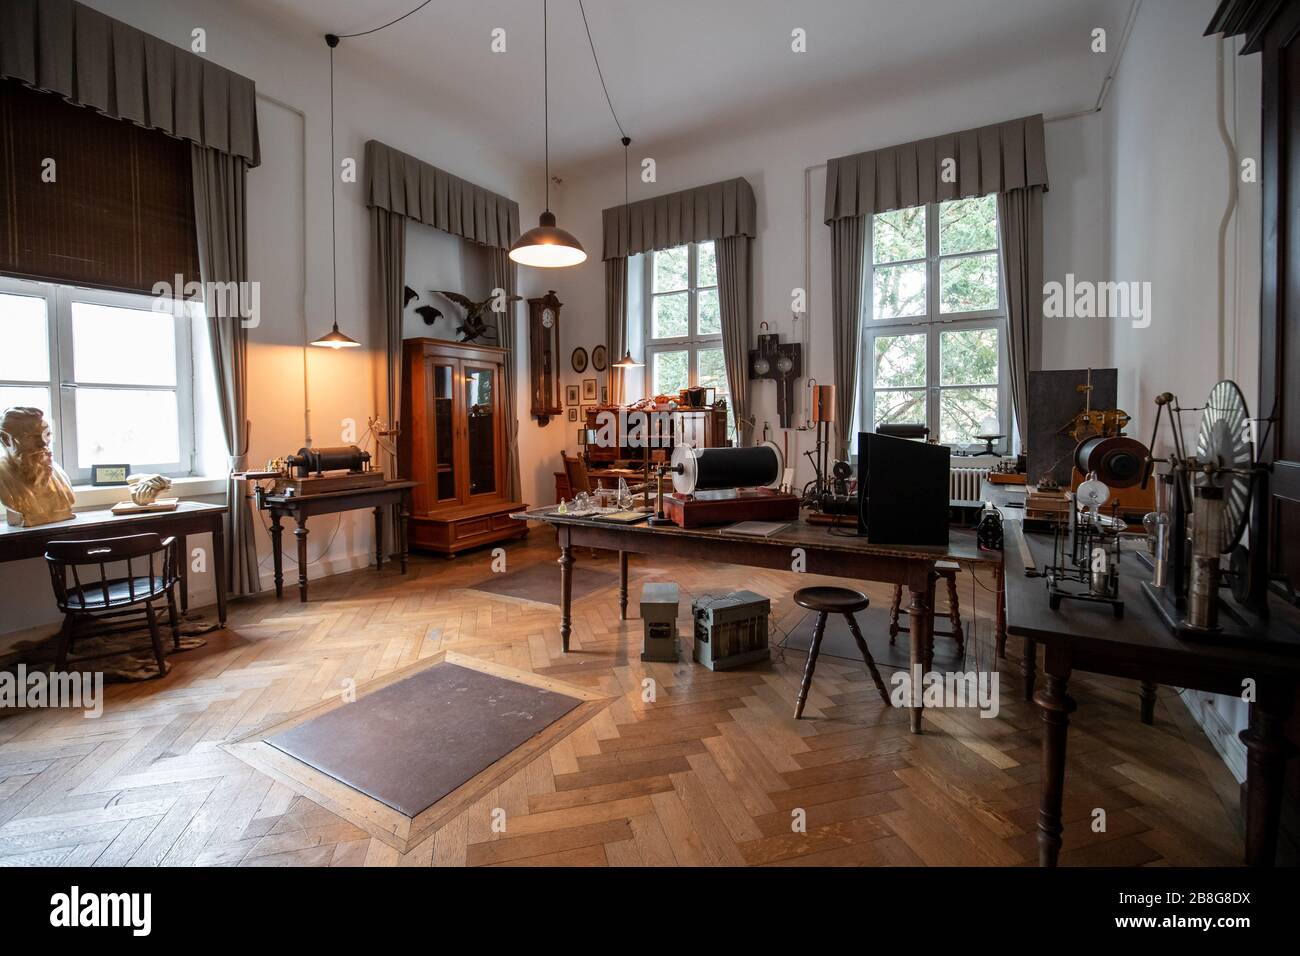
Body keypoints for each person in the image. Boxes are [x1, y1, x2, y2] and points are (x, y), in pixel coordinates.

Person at [0, 406, 75, 527]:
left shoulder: (57, 471)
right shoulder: (2, 477)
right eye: (31, 437)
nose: (43, 442)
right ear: (5, 439)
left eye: (47, 434)